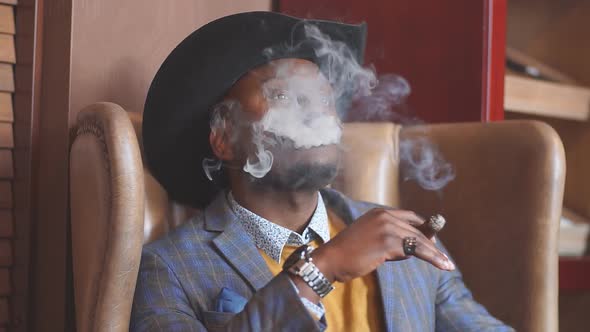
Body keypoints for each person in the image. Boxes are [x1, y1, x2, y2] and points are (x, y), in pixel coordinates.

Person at [131, 11, 513, 331]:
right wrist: (323, 268)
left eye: (324, 98)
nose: (317, 110)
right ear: (224, 139)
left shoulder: (403, 239)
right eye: (282, 94)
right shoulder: (168, 268)